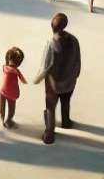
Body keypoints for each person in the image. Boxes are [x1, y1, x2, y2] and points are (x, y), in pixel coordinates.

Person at [34, 12, 80, 145]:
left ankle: (49, 134)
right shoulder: (74, 40)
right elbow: (78, 60)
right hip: (70, 81)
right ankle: (66, 122)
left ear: (52, 27)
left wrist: (37, 79)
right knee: (66, 102)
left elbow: (45, 66)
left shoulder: (51, 43)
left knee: (50, 107)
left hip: (54, 84)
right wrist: (76, 74)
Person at [0, 47, 31, 128]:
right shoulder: (16, 71)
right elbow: (23, 80)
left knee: (2, 107)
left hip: (3, 91)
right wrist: (28, 83)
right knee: (11, 110)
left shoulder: (4, 67)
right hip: (12, 93)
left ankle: (2, 120)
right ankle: (8, 121)